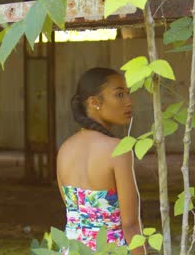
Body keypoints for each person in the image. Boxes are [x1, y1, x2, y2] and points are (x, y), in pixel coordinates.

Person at [56, 67, 144, 254]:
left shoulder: (64, 149)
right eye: (119, 95)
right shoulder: (118, 150)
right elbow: (130, 225)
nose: (129, 102)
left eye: (128, 94)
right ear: (94, 102)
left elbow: (73, 212)